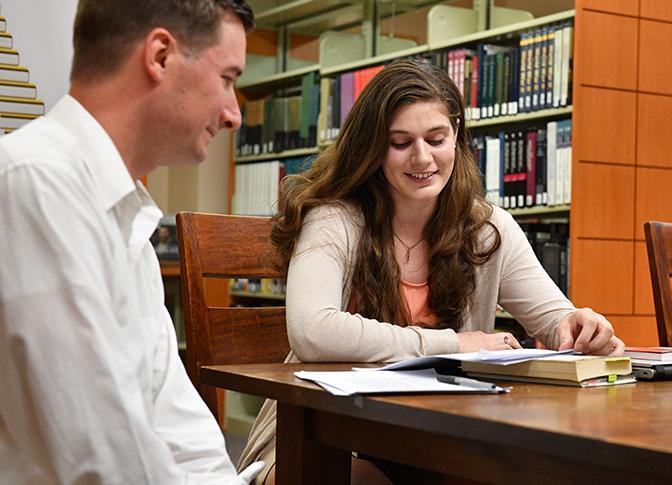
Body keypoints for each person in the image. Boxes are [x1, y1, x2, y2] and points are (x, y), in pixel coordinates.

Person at [238, 59, 624, 484]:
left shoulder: (486, 227)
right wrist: (455, 343)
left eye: (436, 138)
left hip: (438, 439)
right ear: (372, 147)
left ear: (456, 134)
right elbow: (314, 331)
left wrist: (581, 326)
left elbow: (554, 321)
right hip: (321, 439)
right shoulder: (336, 219)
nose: (422, 158)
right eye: (400, 143)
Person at [0, 0, 263, 483]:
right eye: (228, 78)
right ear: (161, 55)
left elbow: (174, 419)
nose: (234, 113)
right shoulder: (35, 183)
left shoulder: (127, 218)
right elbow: (97, 453)